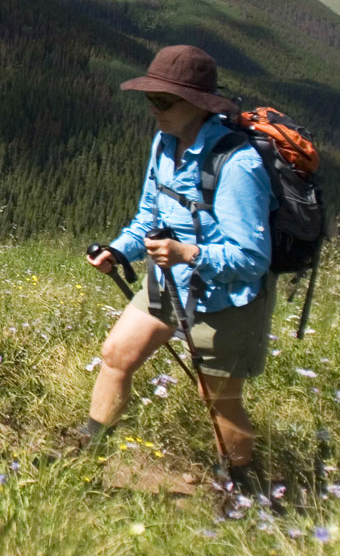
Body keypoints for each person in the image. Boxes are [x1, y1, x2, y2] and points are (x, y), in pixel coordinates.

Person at [80, 44, 274, 492]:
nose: (154, 109)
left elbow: (252, 259)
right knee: (115, 357)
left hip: (226, 297)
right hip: (167, 282)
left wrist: (187, 254)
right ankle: (86, 456)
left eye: (164, 101)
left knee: (218, 401)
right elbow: (149, 216)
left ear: (198, 104)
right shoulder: (164, 143)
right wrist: (121, 250)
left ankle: (239, 490)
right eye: (151, 98)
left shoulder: (239, 164)